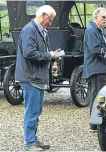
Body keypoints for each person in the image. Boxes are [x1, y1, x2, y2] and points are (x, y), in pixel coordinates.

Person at [15, 5, 60, 151]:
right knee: (32, 111)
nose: (51, 24)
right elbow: (29, 53)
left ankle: (33, 139)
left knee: (36, 111)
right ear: (43, 15)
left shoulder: (41, 31)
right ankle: (29, 143)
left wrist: (50, 61)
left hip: (37, 77)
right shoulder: (30, 30)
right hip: (30, 77)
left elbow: (39, 52)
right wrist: (49, 55)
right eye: (50, 20)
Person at [83, 7, 106, 132]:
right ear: (95, 18)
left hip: (100, 68)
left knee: (101, 96)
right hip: (96, 68)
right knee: (97, 96)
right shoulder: (91, 31)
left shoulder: (98, 30)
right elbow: (95, 50)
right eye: (103, 17)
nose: (105, 19)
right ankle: (94, 125)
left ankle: (99, 123)